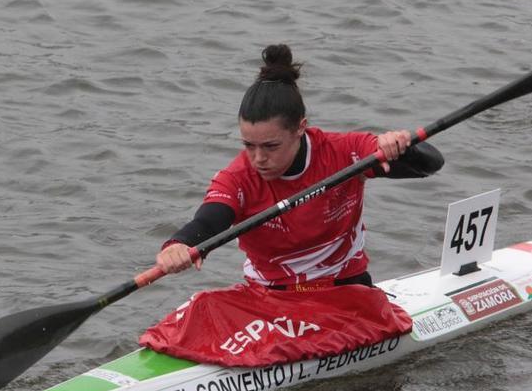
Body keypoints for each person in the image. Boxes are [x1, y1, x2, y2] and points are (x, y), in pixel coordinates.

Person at [139, 44, 443, 367]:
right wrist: (178, 245)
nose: (258, 159)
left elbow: (430, 164)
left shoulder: (343, 153)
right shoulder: (238, 177)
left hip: (342, 296)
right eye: (248, 145)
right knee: (197, 310)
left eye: (270, 146)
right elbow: (208, 221)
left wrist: (402, 146)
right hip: (267, 300)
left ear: (301, 128)